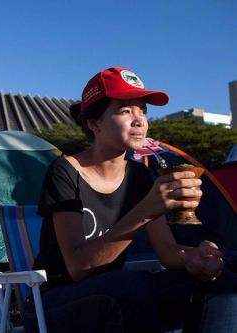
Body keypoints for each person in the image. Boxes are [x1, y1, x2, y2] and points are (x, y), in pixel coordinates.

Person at [23, 67, 237, 332]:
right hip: (54, 302)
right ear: (94, 123)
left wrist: (194, 256)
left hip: (118, 293)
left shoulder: (140, 175)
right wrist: (146, 209)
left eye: (143, 111)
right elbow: (78, 267)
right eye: (125, 111)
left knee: (221, 282)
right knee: (133, 288)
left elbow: (168, 253)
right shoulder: (65, 172)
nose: (140, 121)